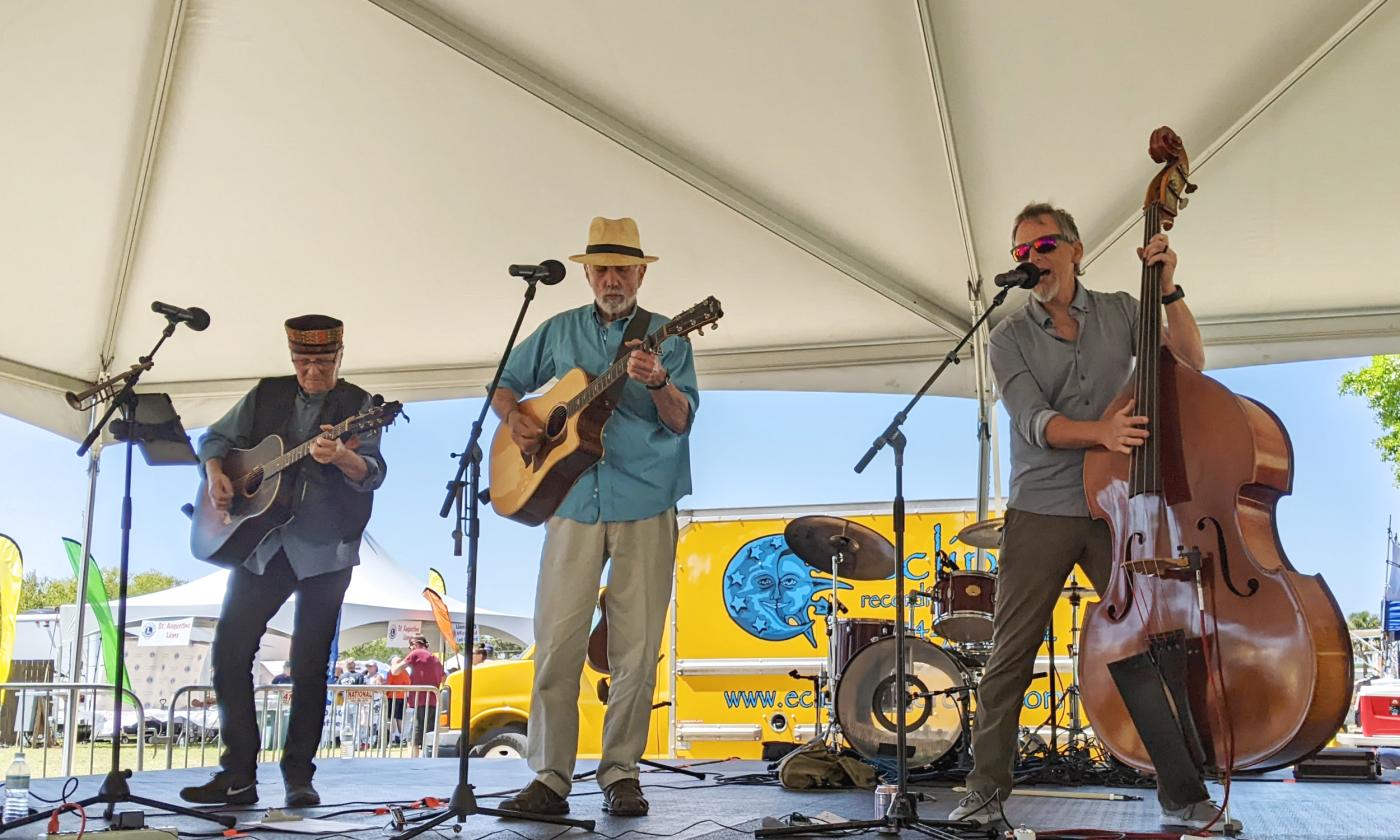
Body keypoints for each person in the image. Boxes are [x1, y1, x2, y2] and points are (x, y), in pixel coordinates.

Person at [947, 204, 1237, 834]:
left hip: (1116, 509)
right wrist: (1103, 431)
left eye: (1044, 245)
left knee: (1150, 643)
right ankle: (984, 791)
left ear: (1076, 249)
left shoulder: (1120, 310)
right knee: (1010, 654)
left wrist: (1167, 288)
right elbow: (1032, 422)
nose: (1032, 259)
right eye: (1021, 252)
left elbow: (1190, 360)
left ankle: (1183, 794)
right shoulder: (1006, 336)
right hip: (1042, 508)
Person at [494, 217, 699, 818]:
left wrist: (659, 381)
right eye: (602, 268)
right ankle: (549, 778)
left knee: (635, 648)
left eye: (623, 268)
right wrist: (518, 420)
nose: (612, 278)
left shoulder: (668, 336)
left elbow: (682, 420)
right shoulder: (558, 331)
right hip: (571, 498)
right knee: (557, 640)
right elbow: (503, 384)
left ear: (641, 273)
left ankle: (621, 773)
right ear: (586, 273)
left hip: (645, 497)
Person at [180, 315, 387, 809]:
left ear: (340, 356)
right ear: (291, 357)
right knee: (229, 654)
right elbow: (215, 439)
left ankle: (299, 776)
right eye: (302, 360)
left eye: (322, 361)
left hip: (326, 549)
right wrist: (215, 475)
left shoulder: (360, 406)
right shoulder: (266, 394)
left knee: (310, 666)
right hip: (261, 547)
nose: (312, 370)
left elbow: (373, 472)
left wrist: (339, 456)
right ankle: (237, 774)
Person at [391, 636, 445, 758]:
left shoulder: (416, 653)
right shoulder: (435, 659)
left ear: (414, 645)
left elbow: (395, 671)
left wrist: (394, 662)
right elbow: (444, 677)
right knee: (429, 737)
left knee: (413, 739)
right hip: (433, 702)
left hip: (419, 702)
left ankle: (413, 765)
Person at [386, 655, 411, 746]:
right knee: (400, 718)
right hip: (403, 697)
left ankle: (393, 738)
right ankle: (401, 737)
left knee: (391, 717)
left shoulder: (391, 672)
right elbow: (408, 683)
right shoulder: (405, 672)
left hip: (392, 696)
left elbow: (388, 685)